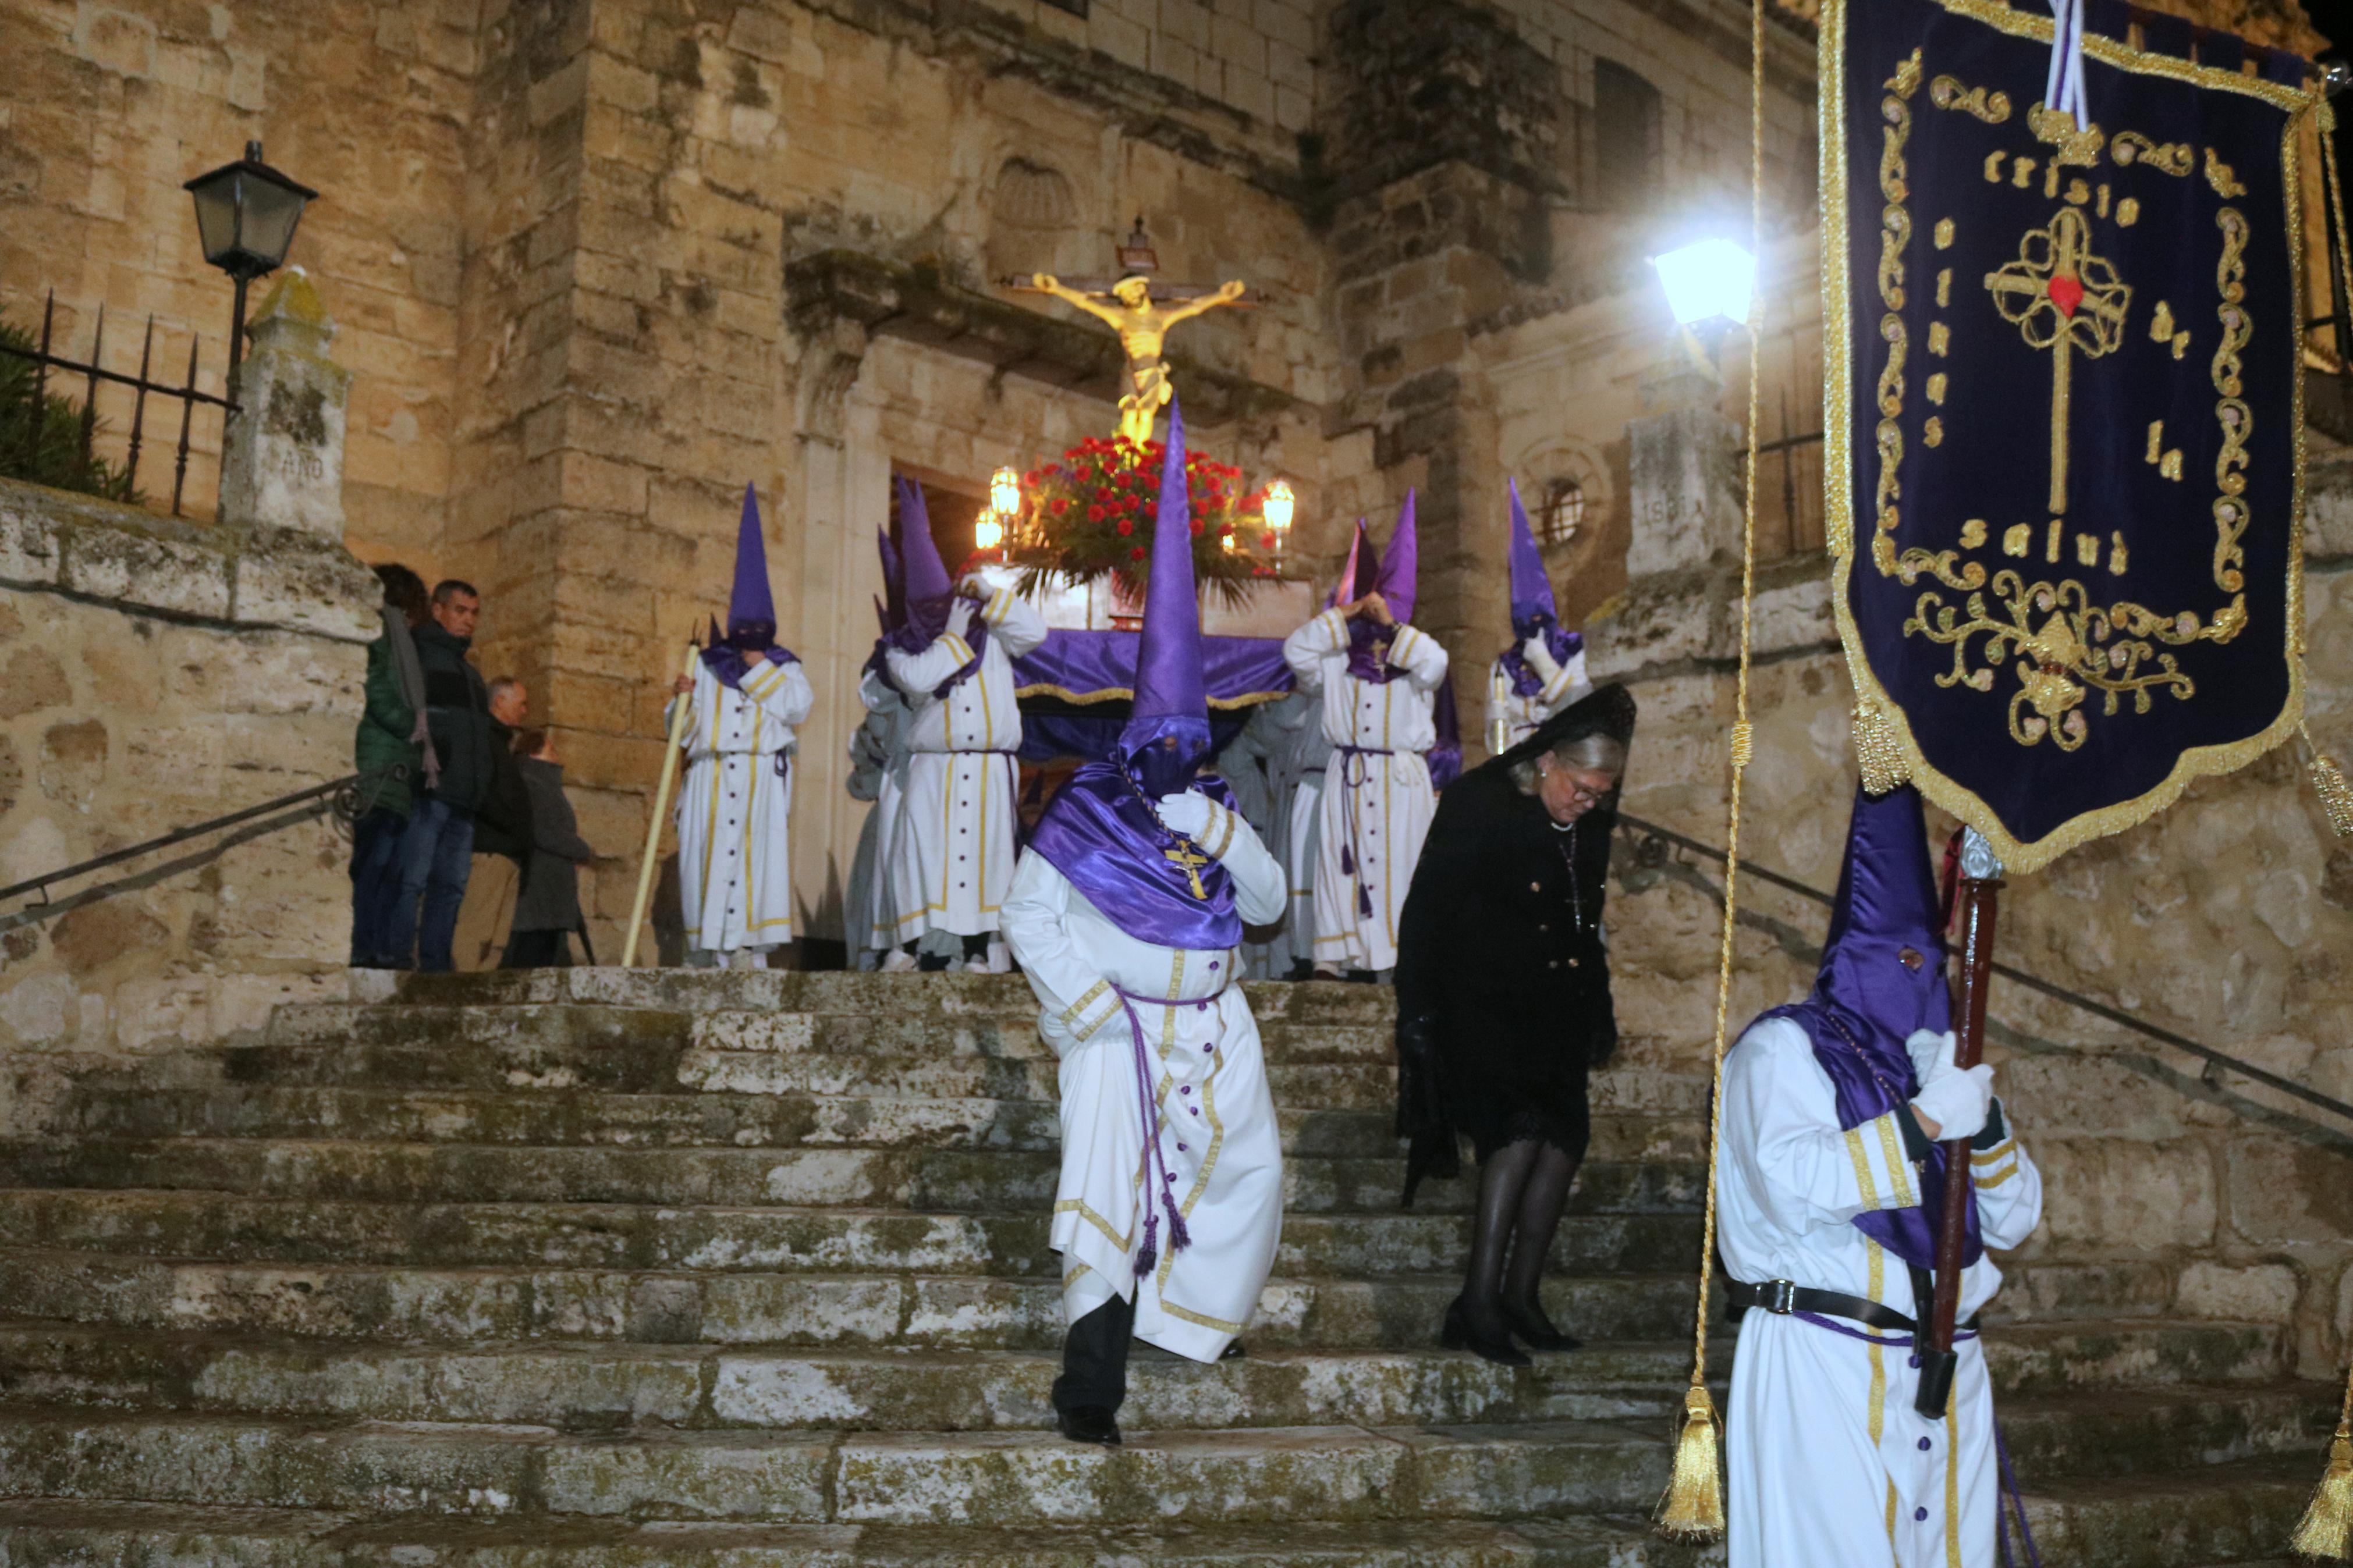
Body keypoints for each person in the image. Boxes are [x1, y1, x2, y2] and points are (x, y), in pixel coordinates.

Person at [1003, 406, 1288, 1448]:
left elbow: (1267, 907)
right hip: (1113, 1021)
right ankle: (1091, 1376)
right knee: (1104, 1179)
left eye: (1191, 736)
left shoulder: (1211, 806)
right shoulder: (1084, 807)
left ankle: (1193, 1318)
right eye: (1159, 735)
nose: (1174, 746)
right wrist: (1082, 1008)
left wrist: (1212, 824)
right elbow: (1028, 910)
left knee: (1242, 1176)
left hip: (1213, 1022)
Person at [1717, 783, 2042, 1568]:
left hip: (1945, 1367)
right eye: (1897, 962)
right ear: (1846, 956)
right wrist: (1923, 1121)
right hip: (1823, 1360)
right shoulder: (1781, 1050)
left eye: (1925, 964)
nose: (1913, 978)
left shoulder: (1929, 1062)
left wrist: (1980, 1116)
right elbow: (1791, 1182)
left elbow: (2012, 1217)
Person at [1394, 683, 1635, 1366]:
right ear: (1550, 762)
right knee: (1516, 1133)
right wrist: (1413, 1010)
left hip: (1556, 1006)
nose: (1587, 803)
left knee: (1563, 1143)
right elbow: (1426, 912)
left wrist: (1601, 1008)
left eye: (1599, 794)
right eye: (1582, 788)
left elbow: (1586, 925)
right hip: (1482, 1003)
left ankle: (1521, 1296)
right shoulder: (1481, 801)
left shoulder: (1585, 824)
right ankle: (1475, 1301)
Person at [881, 477, 1048, 972]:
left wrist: (990, 594)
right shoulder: (900, 646)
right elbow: (918, 680)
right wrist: (949, 640)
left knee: (986, 857)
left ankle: (979, 949)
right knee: (924, 856)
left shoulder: (991, 634)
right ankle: (908, 947)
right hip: (936, 766)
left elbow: (1035, 633)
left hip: (989, 764)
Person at [1282, 496, 1448, 980]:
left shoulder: (1415, 659)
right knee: (1341, 863)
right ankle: (1334, 956)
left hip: (1399, 778)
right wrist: (1347, 610)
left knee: (1401, 865)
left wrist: (1393, 629)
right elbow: (1296, 651)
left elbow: (1436, 664)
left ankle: (1398, 960)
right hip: (1349, 773)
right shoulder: (1337, 660)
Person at [666, 485, 815, 969]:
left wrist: (757, 665)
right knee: (706, 863)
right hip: (711, 776)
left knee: (756, 864)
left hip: (757, 781)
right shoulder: (709, 667)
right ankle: (708, 950)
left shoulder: (785, 668)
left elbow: (796, 708)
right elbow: (681, 735)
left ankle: (749, 952)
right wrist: (682, 701)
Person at [387, 578, 493, 971]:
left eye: (474, 613)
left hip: (464, 794)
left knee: (450, 886)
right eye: (460, 611)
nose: (468, 620)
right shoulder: (418, 655)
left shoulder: (470, 673)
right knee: (411, 878)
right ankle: (395, 959)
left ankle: (435, 962)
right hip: (429, 788)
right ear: (438, 610)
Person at [350, 563, 434, 968]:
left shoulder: (397, 640)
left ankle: (378, 949)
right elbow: (377, 690)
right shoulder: (383, 636)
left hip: (395, 772)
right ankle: (366, 949)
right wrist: (411, 726)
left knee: (387, 869)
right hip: (380, 767)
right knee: (373, 866)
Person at [1485, 479, 1589, 752]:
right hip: (1520, 762)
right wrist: (1496, 716)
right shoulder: (1504, 665)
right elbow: (1495, 747)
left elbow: (1582, 709)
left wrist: (1543, 662)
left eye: (1539, 618)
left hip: (1562, 754)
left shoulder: (1573, 650)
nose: (1532, 624)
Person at [847, 531, 911, 971]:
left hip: (917, 786)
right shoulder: (884, 684)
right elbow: (863, 776)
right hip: (898, 787)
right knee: (883, 871)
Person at [504, 727, 599, 967]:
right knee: (534, 953)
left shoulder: (538, 783)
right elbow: (545, 832)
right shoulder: (533, 784)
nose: (557, 758)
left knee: (547, 950)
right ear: (534, 754)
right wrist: (582, 850)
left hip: (548, 887)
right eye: (551, 751)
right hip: (541, 885)